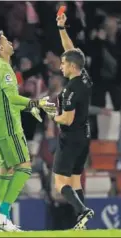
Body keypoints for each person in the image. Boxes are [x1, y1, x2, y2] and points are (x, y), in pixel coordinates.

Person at [0, 31, 56, 231]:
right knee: (24, 168)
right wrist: (38, 102)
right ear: (0, 48)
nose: (10, 42)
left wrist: (29, 107)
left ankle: (2, 219)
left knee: (5, 171)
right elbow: (13, 99)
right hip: (9, 126)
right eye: (6, 41)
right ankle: (2, 214)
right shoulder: (5, 69)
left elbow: (7, 101)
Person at [48, 13, 94, 230]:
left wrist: (51, 114)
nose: (61, 66)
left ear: (73, 67)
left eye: (64, 64)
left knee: (60, 182)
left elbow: (66, 119)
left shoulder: (69, 91)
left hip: (71, 137)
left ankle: (82, 211)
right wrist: (61, 28)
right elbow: (72, 51)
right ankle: (81, 223)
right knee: (75, 179)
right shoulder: (84, 78)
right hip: (85, 136)